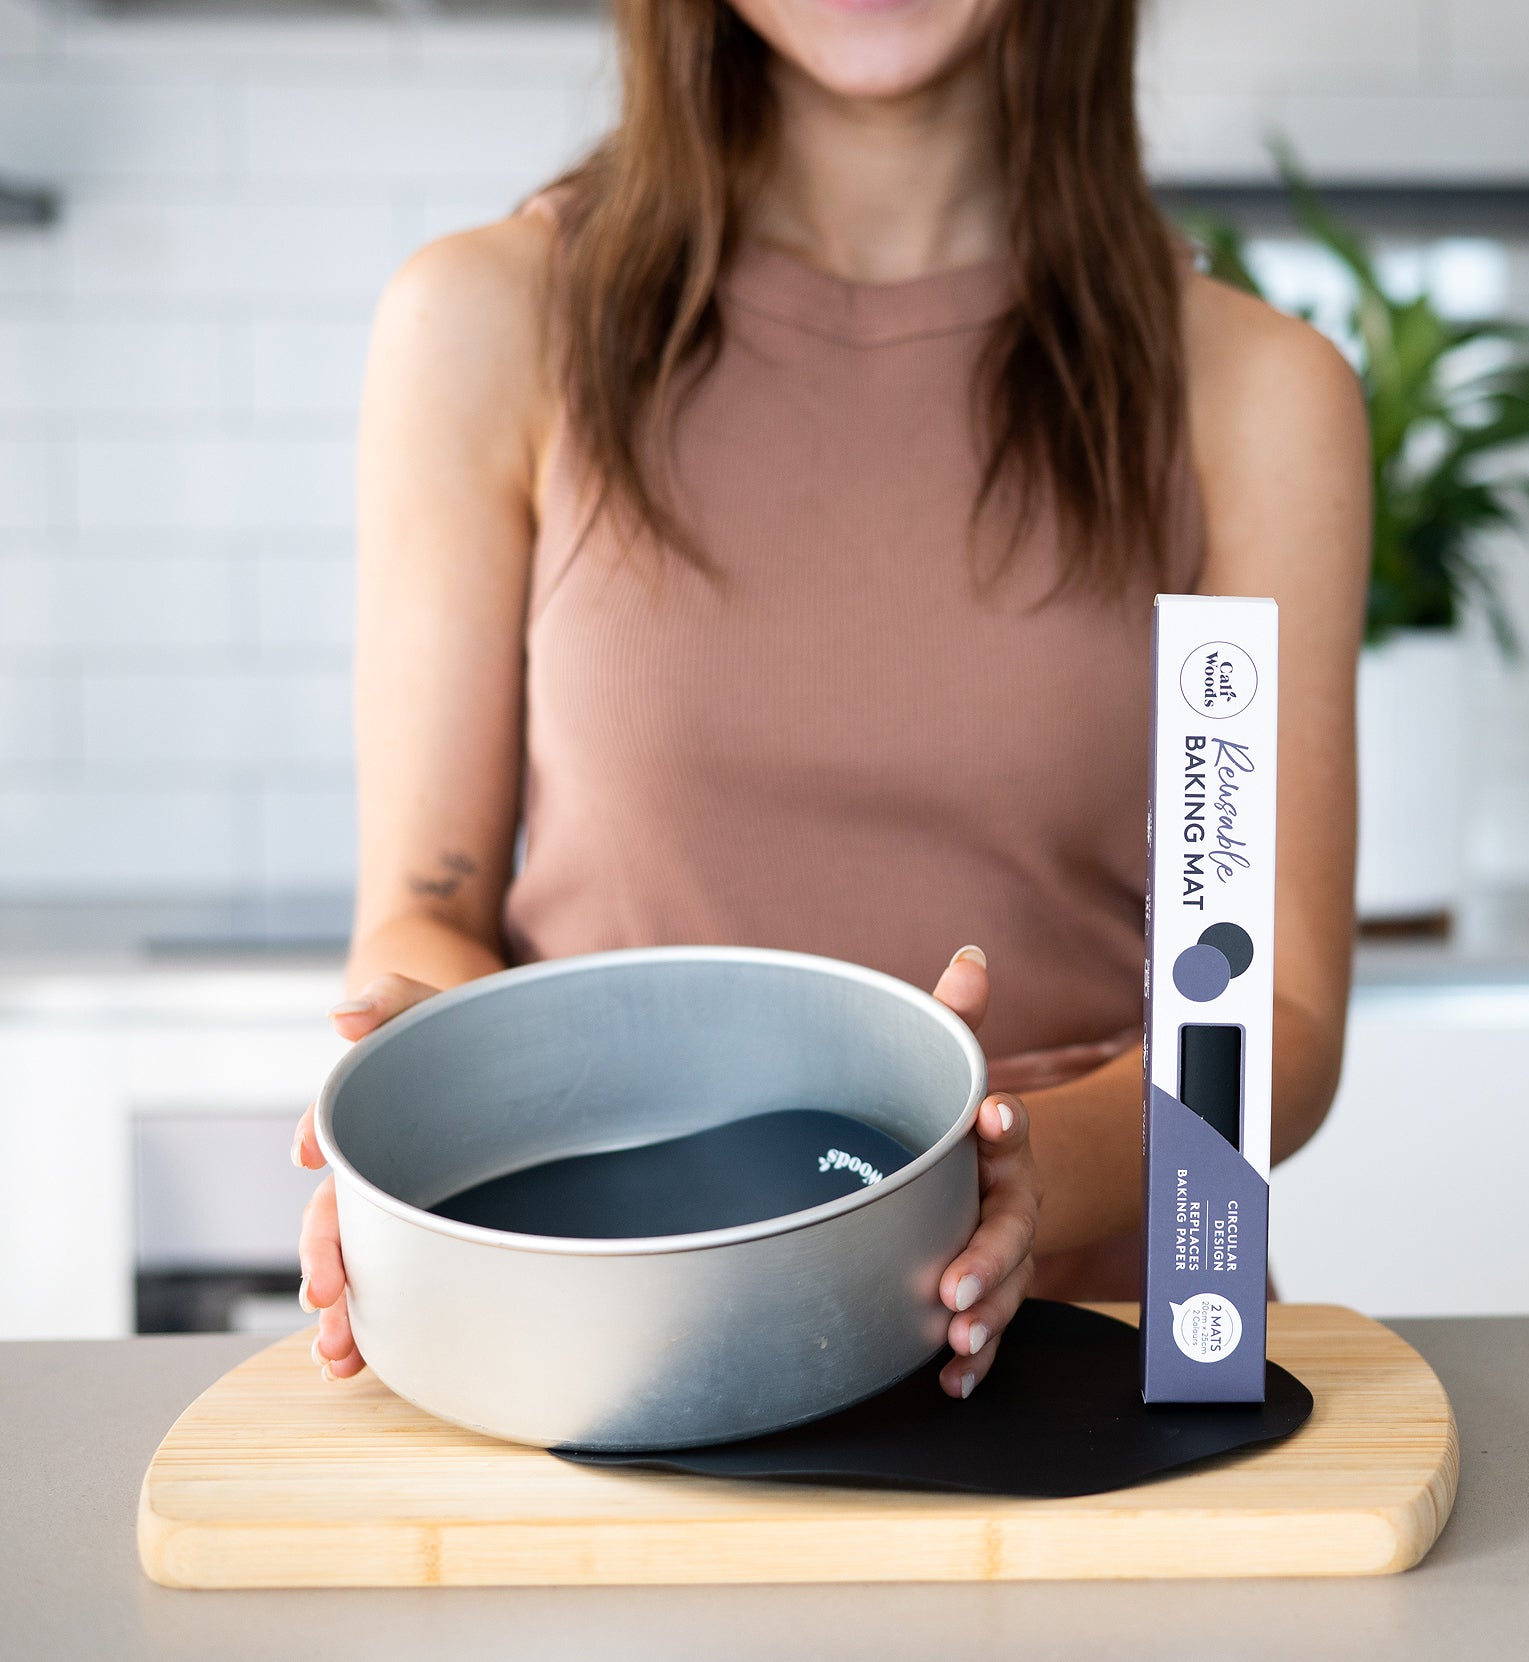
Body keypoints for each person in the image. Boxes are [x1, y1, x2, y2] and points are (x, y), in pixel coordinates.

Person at [290, 0, 1366, 1399]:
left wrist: (1003, 1169)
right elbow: (424, 903)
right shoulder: (485, 322)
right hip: (611, 1339)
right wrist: (418, 1140)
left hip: (1082, 1363)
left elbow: (1276, 1004)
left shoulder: (1255, 393)